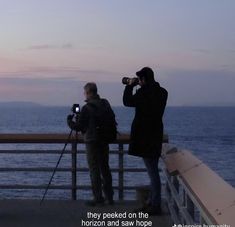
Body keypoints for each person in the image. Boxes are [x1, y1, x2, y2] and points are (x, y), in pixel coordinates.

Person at [123, 67, 168, 215]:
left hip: (144, 137)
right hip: (156, 136)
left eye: (140, 79)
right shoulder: (163, 93)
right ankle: (153, 202)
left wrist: (130, 86)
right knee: (153, 170)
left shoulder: (143, 93)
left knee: (152, 172)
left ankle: (155, 205)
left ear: (143, 79)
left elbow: (127, 101)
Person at [67, 82, 115, 206]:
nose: (85, 95)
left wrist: (69, 121)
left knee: (94, 169)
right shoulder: (105, 103)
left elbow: (79, 126)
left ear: (88, 92)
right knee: (105, 168)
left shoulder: (87, 108)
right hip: (104, 140)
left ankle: (98, 197)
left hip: (92, 142)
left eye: (85, 93)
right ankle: (109, 197)